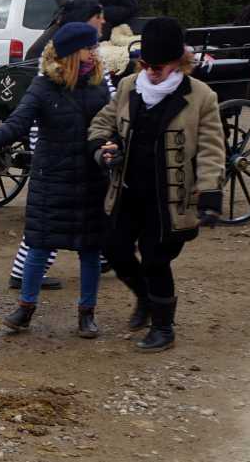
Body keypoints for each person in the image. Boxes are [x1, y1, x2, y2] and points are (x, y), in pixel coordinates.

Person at [88, 17, 226, 352]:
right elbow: (102, 122)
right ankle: (146, 299)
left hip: (170, 199)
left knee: (155, 259)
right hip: (128, 189)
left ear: (178, 63)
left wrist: (210, 194)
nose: (151, 72)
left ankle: (164, 327)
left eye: (159, 67)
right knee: (115, 250)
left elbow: (211, 149)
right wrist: (102, 148)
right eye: (146, 64)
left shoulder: (201, 97)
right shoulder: (128, 86)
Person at [0, 21, 110, 337]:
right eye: (88, 48)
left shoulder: (99, 86)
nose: (94, 54)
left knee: (90, 251)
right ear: (69, 54)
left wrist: (112, 148)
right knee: (39, 245)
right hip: (51, 179)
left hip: (92, 178)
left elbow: (113, 125)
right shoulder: (42, 87)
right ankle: (25, 309)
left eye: (94, 47)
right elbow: (16, 124)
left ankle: (86, 313)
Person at [8, 0, 109, 291]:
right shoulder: (65, 61)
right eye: (98, 16)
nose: (103, 21)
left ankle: (99, 257)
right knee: (49, 225)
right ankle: (22, 275)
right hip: (61, 151)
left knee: (56, 222)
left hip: (77, 150)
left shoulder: (86, 58)